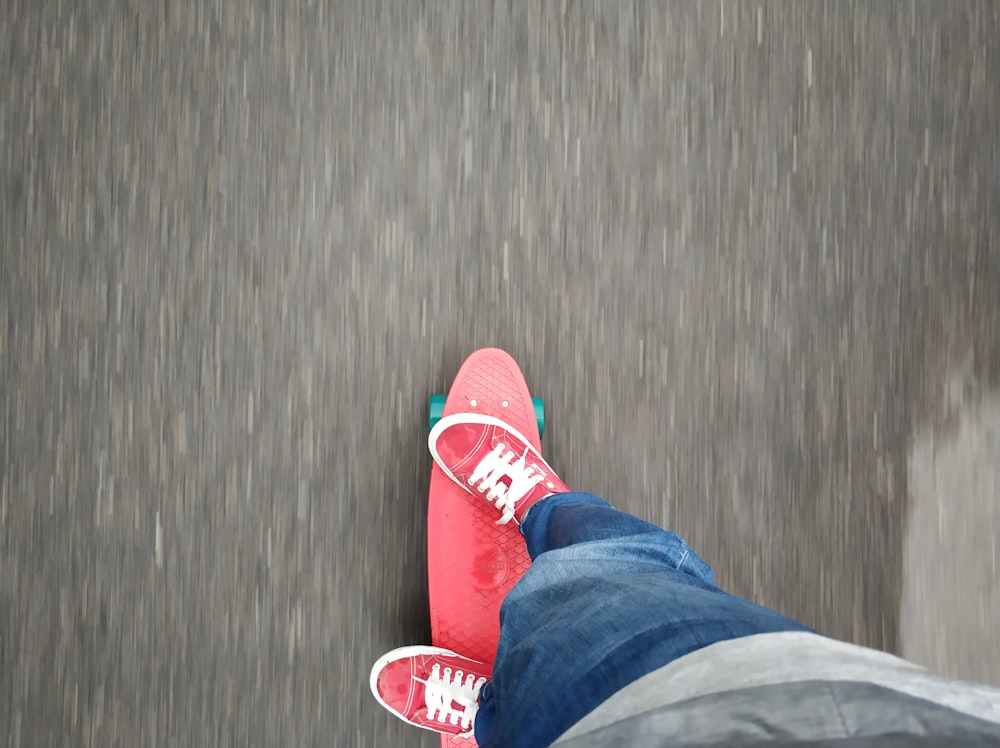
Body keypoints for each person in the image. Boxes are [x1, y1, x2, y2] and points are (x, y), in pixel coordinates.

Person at [370, 414, 1000, 747]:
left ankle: (491, 711)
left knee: (533, 723)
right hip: (826, 714)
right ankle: (545, 509)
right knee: (615, 589)